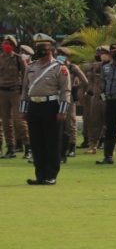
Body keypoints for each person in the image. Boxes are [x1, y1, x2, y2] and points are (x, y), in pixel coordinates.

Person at [20, 34, 71, 185]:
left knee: (52, 141)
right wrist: (23, 109)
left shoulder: (59, 67)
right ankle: (40, 175)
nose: (40, 52)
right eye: (38, 49)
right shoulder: (31, 67)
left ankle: (51, 175)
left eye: (43, 49)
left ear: (50, 51)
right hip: (34, 106)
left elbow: (65, 91)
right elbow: (25, 90)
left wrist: (62, 110)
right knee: (36, 142)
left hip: (51, 106)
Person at [55, 46, 88, 160]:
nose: (59, 56)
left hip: (68, 97)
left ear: (68, 56)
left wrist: (75, 89)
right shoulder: (55, 66)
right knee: (57, 123)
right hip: (56, 97)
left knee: (70, 122)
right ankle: (59, 147)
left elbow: (85, 81)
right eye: (58, 54)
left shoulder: (73, 67)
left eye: (61, 54)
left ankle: (72, 147)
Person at [1, 34, 28, 159]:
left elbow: (26, 75)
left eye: (8, 43)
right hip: (2, 92)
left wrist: (25, 91)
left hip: (16, 92)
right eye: (4, 43)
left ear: (12, 46)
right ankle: (10, 148)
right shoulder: (0, 58)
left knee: (19, 120)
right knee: (6, 122)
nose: (5, 45)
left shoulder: (18, 58)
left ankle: (28, 148)